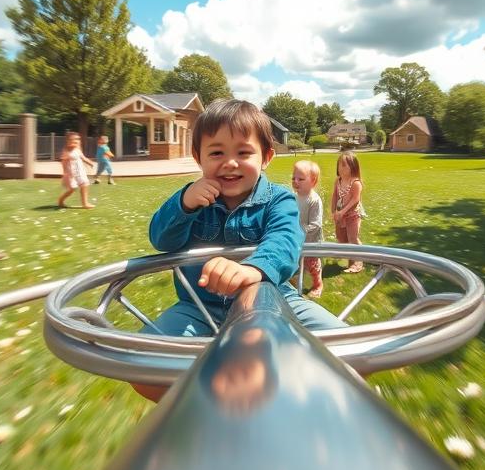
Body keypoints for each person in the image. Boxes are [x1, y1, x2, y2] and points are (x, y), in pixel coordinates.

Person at [136, 99, 340, 401]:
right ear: (198, 156)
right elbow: (160, 239)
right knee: (142, 365)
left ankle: (293, 405)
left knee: (349, 352)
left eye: (243, 153)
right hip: (200, 307)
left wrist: (252, 270)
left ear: (266, 157)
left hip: (276, 301)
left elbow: (286, 240)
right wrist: (184, 204)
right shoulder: (190, 200)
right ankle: (201, 410)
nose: (230, 163)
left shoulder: (278, 200)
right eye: (217, 152)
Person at [291, 159, 325, 298]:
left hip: (311, 241)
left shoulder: (314, 200)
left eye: (301, 179)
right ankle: (293, 284)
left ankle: (318, 284)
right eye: (293, 178)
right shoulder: (294, 197)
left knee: (312, 265)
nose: (295, 181)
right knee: (295, 262)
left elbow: (316, 224)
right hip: (297, 239)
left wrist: (300, 229)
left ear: (313, 181)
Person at [332, 151, 368, 273]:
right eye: (339, 165)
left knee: (353, 238)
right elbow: (334, 197)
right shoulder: (338, 181)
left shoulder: (356, 183)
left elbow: (355, 200)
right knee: (341, 238)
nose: (340, 168)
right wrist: (334, 212)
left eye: (344, 165)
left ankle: (358, 263)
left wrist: (343, 212)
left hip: (353, 215)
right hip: (341, 215)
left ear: (352, 167)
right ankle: (351, 261)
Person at [58, 132, 95, 209]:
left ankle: (85, 203)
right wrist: (65, 174)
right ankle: (61, 200)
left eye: (77, 139)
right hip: (70, 173)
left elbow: (83, 157)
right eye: (73, 139)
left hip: (80, 172)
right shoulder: (66, 151)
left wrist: (90, 162)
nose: (76, 141)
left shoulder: (77, 149)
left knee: (84, 185)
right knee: (72, 189)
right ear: (68, 141)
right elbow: (63, 162)